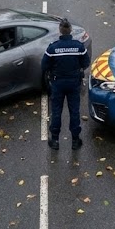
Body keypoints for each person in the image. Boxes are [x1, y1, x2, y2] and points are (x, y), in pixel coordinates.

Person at [42, 18, 90, 150]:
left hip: (58, 83)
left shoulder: (53, 47)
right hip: (74, 83)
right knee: (74, 111)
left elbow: (44, 65)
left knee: (56, 111)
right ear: (71, 31)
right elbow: (86, 63)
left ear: (60, 31)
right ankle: (75, 140)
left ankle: (55, 140)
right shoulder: (78, 46)